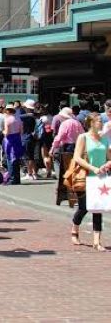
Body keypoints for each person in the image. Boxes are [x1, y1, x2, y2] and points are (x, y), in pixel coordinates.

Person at [69, 113, 111, 250]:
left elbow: (109, 157)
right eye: (99, 121)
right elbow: (77, 157)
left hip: (100, 179)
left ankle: (96, 241)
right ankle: (75, 229)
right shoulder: (84, 137)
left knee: (98, 208)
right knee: (83, 208)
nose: (101, 122)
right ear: (91, 123)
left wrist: (106, 165)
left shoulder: (104, 139)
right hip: (86, 177)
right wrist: (93, 167)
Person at [53, 107, 83, 205]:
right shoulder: (77, 123)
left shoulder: (65, 124)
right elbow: (82, 135)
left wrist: (53, 148)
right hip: (77, 146)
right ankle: (76, 193)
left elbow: (59, 137)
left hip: (67, 147)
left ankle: (68, 193)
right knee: (75, 170)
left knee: (67, 171)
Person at [3, 105, 23, 185]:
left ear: (7, 111)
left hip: (10, 139)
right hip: (17, 138)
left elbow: (6, 132)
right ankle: (17, 179)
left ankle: (12, 178)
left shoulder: (7, 120)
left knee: (10, 158)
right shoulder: (18, 119)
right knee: (16, 158)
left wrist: (3, 132)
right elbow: (21, 131)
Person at [20, 99, 39, 180]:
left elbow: (16, 116)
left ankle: (29, 173)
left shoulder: (26, 117)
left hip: (26, 137)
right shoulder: (34, 116)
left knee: (28, 157)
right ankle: (34, 173)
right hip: (32, 137)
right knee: (32, 156)